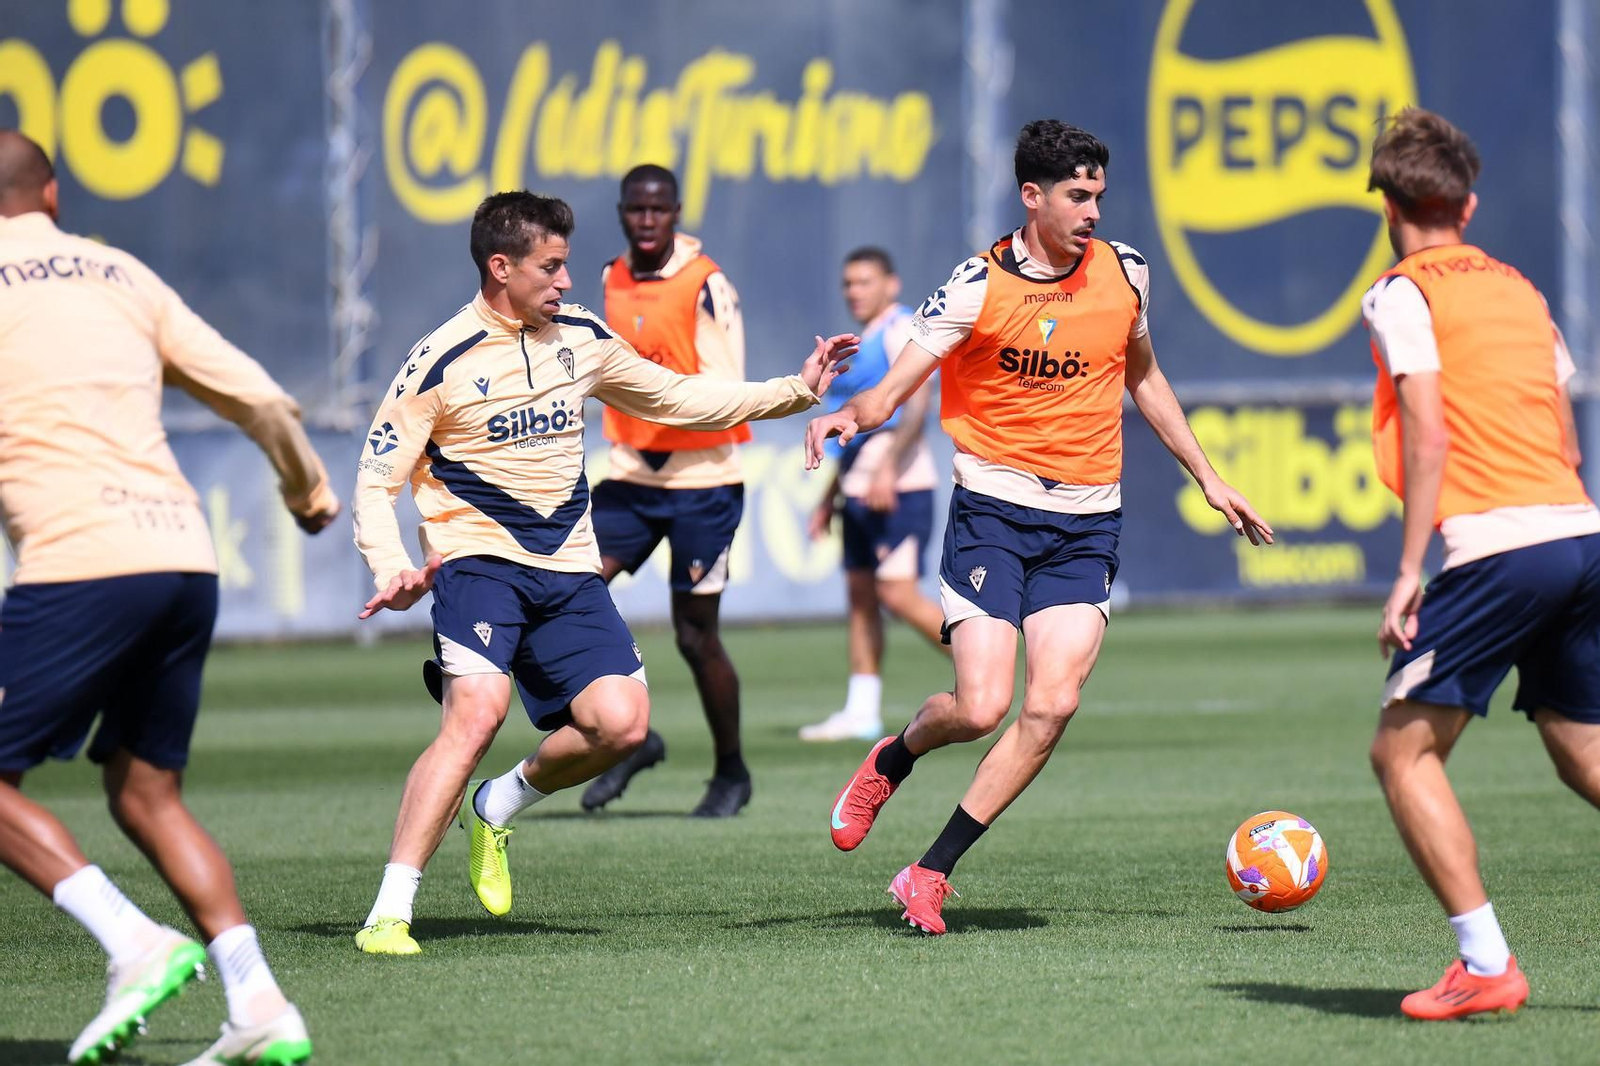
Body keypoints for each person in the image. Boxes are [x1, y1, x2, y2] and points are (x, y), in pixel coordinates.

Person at [351, 190, 854, 954]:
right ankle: (389, 911)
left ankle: (496, 803)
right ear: (500, 267)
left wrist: (800, 389)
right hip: (478, 562)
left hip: (569, 571)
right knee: (476, 713)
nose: (566, 281)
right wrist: (390, 563)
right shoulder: (440, 359)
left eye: (567, 264)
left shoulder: (581, 337)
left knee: (622, 725)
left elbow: (680, 397)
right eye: (550, 267)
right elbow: (375, 474)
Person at [805, 120, 1273, 935]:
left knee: (1052, 705)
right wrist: (851, 416)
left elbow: (1145, 376)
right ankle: (894, 756)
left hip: (1087, 522)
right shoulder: (978, 283)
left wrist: (1208, 475)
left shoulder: (1126, 274)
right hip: (993, 511)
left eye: (1098, 194)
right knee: (981, 706)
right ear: (1033, 196)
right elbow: (900, 383)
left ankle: (928, 871)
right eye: (1076, 195)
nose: (1093, 210)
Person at [0, 131, 336, 1065]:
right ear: (54, 195)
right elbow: (261, 398)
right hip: (184, 558)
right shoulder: (120, 273)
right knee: (145, 793)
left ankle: (131, 939)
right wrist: (309, 490)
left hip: (79, 561)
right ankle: (260, 1002)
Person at [1360, 107, 1600, 1020]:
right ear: (1468, 203)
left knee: (1404, 751)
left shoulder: (1402, 291)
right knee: (1584, 753)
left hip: (1499, 545)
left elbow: (1428, 432)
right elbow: (1565, 419)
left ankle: (1486, 964)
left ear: (1390, 205)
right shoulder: (1520, 288)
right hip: (1579, 531)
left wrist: (1409, 570)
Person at [578, 165, 757, 816]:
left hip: (702, 482)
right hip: (630, 476)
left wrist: (655, 394)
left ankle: (731, 772)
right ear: (623, 212)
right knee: (568, 589)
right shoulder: (608, 276)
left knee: (693, 636)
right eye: (636, 209)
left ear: (676, 211)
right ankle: (633, 735)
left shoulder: (706, 283)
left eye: (658, 210)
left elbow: (726, 387)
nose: (647, 220)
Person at [801, 247, 948, 742]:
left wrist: (886, 467)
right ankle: (861, 711)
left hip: (901, 485)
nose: (854, 292)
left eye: (864, 282)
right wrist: (830, 497)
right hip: (858, 486)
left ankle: (985, 667)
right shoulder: (860, 339)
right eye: (848, 283)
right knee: (861, 598)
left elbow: (916, 408)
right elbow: (853, 432)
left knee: (897, 594)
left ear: (891, 284)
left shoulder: (903, 327)